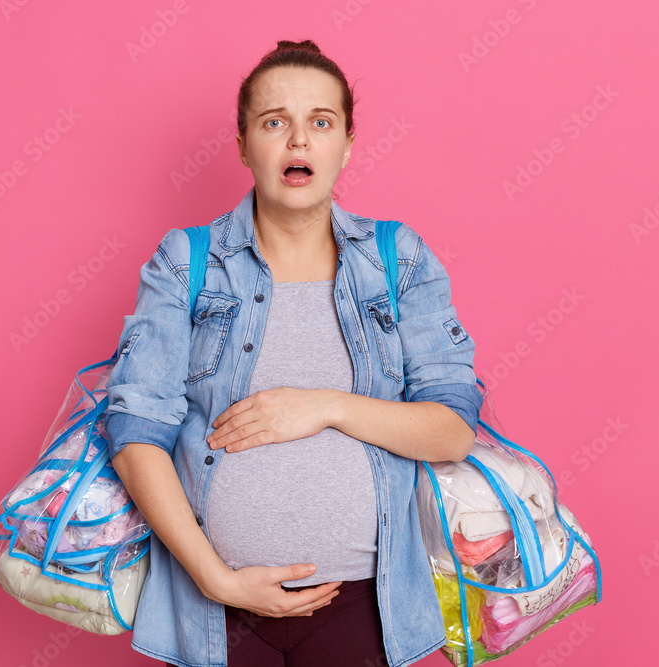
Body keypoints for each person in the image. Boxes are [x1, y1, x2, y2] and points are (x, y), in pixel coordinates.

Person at [105, 39, 483, 667]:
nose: (299, 139)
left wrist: (326, 406)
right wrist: (216, 579)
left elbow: (452, 431)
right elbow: (135, 431)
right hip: (213, 610)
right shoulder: (186, 261)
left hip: (367, 608)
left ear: (348, 144)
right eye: (274, 122)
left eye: (321, 122)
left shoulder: (399, 259)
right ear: (243, 144)